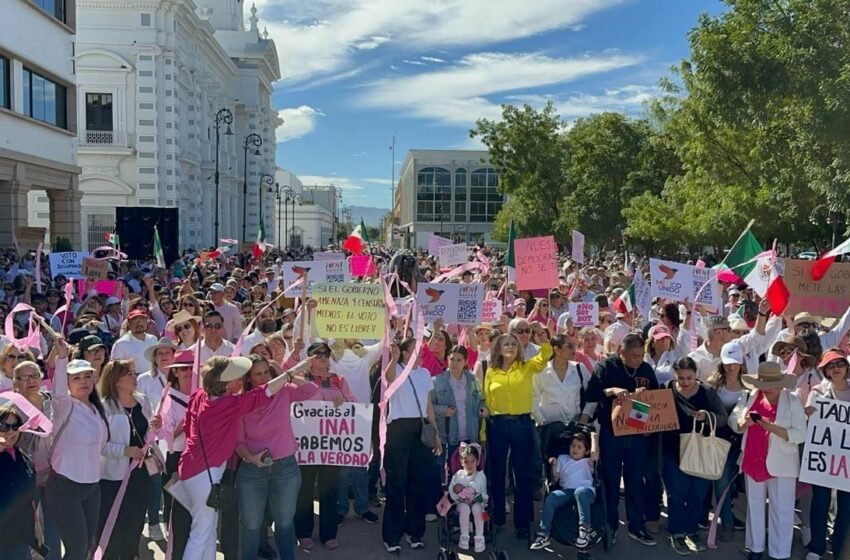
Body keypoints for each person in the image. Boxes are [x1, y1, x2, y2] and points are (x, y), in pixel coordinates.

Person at [177, 355, 313, 560]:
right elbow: (262, 394)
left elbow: (188, 425)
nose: (239, 379)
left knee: (208, 530)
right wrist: (290, 373)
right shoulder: (229, 404)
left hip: (194, 468)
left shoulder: (200, 395)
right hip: (204, 474)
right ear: (223, 382)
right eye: (235, 376)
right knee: (201, 533)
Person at [236, 353, 315, 560]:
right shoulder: (241, 400)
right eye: (257, 374)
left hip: (286, 468)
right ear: (248, 378)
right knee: (252, 526)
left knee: (284, 523)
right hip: (252, 470)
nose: (263, 377)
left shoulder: (284, 392)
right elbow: (237, 442)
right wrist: (251, 458)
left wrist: (286, 376)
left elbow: (310, 390)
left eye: (266, 372)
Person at [585, 333, 659, 546]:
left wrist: (645, 395)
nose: (638, 360)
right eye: (634, 356)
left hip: (637, 433)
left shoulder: (645, 369)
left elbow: (656, 399)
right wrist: (610, 391)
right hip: (612, 433)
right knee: (611, 480)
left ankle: (637, 525)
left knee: (635, 480)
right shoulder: (606, 367)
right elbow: (590, 394)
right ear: (621, 353)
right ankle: (609, 526)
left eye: (641, 355)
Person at [729, 361, 807, 560]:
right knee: (754, 506)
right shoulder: (749, 396)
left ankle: (779, 553)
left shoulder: (793, 401)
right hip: (752, 458)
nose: (769, 389)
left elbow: (801, 434)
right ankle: (755, 549)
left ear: (781, 384)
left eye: (773, 385)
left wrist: (772, 427)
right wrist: (741, 423)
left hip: (782, 464)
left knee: (782, 510)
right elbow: (734, 419)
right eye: (764, 385)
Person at [483, 325, 552, 539]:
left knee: (521, 474)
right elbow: (486, 399)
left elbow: (546, 354)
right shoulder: (491, 371)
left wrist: (541, 335)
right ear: (499, 348)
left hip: (522, 425)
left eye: (514, 344)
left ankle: (524, 523)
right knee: (497, 474)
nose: (511, 347)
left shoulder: (527, 367)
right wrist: (484, 428)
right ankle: (496, 520)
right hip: (497, 425)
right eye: (506, 344)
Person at [46, 341, 110, 560]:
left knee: (87, 548)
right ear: (67, 382)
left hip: (92, 487)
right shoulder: (65, 406)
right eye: (76, 377)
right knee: (77, 549)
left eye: (87, 376)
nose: (83, 381)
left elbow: (101, 446)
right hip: (65, 487)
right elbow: (58, 392)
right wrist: (62, 359)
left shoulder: (96, 409)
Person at [381, 338, 442, 553]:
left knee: (418, 483)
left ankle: (414, 532)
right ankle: (392, 535)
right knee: (397, 483)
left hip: (419, 429)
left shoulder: (424, 373)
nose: (421, 355)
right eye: (415, 351)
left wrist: (435, 434)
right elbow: (387, 379)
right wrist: (395, 358)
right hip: (398, 429)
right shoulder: (396, 369)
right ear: (406, 353)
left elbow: (428, 407)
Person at [294, 342, 356, 550]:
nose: (322, 358)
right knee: (304, 491)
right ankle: (303, 532)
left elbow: (354, 406)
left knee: (329, 491)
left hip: (332, 447)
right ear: (309, 359)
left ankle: (329, 533)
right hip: (307, 448)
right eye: (317, 354)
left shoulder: (339, 380)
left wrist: (344, 402)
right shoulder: (300, 380)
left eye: (325, 354)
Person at [97, 359, 162, 560]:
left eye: (134, 373)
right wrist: (125, 451)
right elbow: (99, 446)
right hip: (112, 478)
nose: (135, 377)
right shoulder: (104, 406)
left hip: (140, 474)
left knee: (134, 524)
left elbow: (148, 435)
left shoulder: (142, 401)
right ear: (116, 380)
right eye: (129, 374)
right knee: (113, 527)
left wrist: (155, 428)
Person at [662, 357, 727, 555]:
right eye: (681, 378)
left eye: (689, 378)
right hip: (673, 451)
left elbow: (722, 418)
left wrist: (707, 417)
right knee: (676, 495)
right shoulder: (666, 389)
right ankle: (676, 532)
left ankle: (692, 531)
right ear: (675, 375)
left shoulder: (707, 391)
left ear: (696, 374)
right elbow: (650, 412)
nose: (685, 382)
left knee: (697, 495)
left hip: (700, 452)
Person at [804, 348, 850, 560]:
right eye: (831, 365)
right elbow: (808, 416)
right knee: (820, 503)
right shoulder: (818, 392)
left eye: (840, 364)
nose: (836, 369)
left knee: (846, 507)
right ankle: (816, 547)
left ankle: (840, 548)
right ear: (825, 370)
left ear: (846, 367)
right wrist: (809, 411)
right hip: (822, 458)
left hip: (846, 460)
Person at [13, 360, 61, 560]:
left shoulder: (54, 402)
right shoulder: (9, 408)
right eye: (23, 377)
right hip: (25, 479)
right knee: (30, 529)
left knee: (53, 528)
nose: (30, 380)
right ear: (15, 382)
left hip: (55, 474)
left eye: (34, 375)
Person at [704, 342, 748, 541]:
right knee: (709, 480)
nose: (732, 367)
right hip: (713, 438)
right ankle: (711, 518)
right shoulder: (713, 384)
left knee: (723, 482)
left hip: (737, 441)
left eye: (736, 362)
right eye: (728, 362)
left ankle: (727, 522)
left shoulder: (749, 384)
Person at [530, 432, 598, 551]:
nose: (575, 449)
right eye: (573, 446)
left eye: (579, 447)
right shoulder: (563, 458)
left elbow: (594, 455)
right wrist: (553, 465)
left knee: (580, 492)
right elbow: (556, 478)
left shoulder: (588, 461)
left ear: (586, 451)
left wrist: (594, 438)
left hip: (586, 491)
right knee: (552, 497)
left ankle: (584, 531)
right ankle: (543, 534)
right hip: (567, 491)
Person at [159, 349, 195, 559]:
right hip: (178, 459)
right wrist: (183, 426)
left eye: (191, 368)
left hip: (199, 459)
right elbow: (165, 437)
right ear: (176, 373)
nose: (187, 372)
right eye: (183, 369)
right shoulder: (168, 398)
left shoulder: (204, 393)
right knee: (179, 515)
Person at [448, 443, 488, 553]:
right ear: (461, 462)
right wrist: (457, 492)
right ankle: (464, 536)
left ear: (477, 462)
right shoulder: (458, 475)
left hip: (478, 501)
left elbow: (481, 493)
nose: (469, 465)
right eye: (466, 462)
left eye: (472, 462)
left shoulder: (481, 476)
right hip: (462, 503)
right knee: (465, 508)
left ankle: (479, 537)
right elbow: (452, 491)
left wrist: (470, 492)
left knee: (477, 509)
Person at [110, 310, 157, 374]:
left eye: (142, 319)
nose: (139, 323)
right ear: (128, 324)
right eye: (135, 320)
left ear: (146, 322)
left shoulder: (153, 339)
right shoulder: (121, 344)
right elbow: (115, 369)